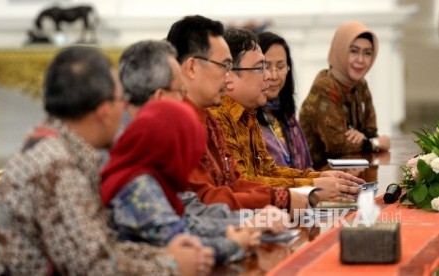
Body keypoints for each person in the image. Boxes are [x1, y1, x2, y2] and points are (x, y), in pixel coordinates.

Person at [0, 46, 213, 275]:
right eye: (121, 100)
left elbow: (100, 247)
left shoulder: (56, 146)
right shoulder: (56, 167)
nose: (125, 109)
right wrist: (170, 266)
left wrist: (165, 256)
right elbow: (94, 269)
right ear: (103, 110)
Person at [113, 39, 289, 233]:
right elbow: (174, 229)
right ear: (160, 97)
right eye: (180, 92)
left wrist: (253, 220)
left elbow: (189, 208)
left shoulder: (196, 124)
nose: (268, 76)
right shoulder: (131, 148)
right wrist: (248, 225)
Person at [167, 15, 316, 211]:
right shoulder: (179, 122)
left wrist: (290, 194)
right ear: (192, 68)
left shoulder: (209, 119)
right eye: (223, 66)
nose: (228, 78)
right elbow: (205, 199)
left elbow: (234, 182)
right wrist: (282, 198)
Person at [210, 27, 364, 201]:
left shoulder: (247, 114)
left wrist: (318, 178)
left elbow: (268, 170)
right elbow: (244, 184)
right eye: (261, 67)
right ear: (229, 76)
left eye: (281, 66)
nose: (269, 75)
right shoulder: (218, 118)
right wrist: (311, 188)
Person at [100, 100, 260, 265]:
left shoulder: (151, 178)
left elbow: (187, 223)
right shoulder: (137, 188)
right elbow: (179, 241)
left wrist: (240, 228)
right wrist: (234, 244)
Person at [299, 21, 390, 169]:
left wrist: (365, 138)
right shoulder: (325, 86)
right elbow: (337, 144)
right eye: (354, 51)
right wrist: (375, 143)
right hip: (320, 177)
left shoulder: (360, 85)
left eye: (367, 53)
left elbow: (371, 130)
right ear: (340, 51)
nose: (361, 60)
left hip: (351, 170)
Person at [256, 31, 313, 169]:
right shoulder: (247, 119)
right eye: (266, 67)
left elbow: (307, 168)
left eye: (280, 67)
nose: (274, 76)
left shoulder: (288, 118)